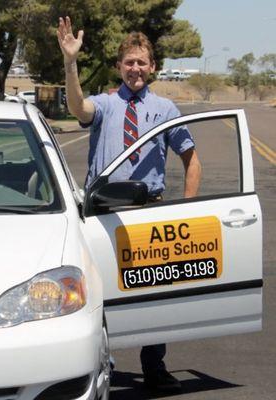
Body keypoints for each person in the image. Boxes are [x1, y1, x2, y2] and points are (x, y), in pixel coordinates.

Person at [57, 16, 202, 392]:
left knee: (151, 291)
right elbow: (77, 108)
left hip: (149, 211)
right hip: (102, 213)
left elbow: (192, 160)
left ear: (152, 67)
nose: (135, 68)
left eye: (142, 62)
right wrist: (70, 61)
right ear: (119, 67)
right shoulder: (104, 104)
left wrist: (187, 208)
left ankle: (154, 367)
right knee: (101, 291)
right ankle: (100, 362)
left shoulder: (166, 109)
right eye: (129, 62)